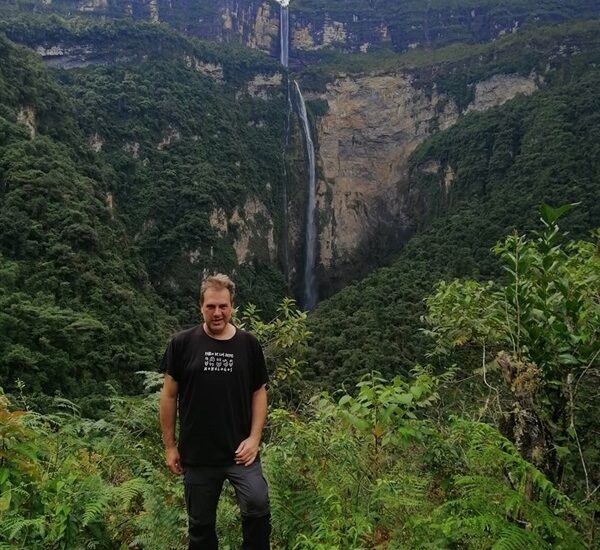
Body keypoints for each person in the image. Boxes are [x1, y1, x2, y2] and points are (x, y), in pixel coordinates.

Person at [159, 273, 271, 550]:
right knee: (200, 526)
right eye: (211, 306)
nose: (217, 312)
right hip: (198, 454)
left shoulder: (249, 344)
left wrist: (255, 439)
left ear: (232, 306)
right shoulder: (182, 344)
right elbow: (169, 395)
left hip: (240, 451)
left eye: (223, 306)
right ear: (201, 306)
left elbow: (259, 392)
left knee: (257, 506)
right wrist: (170, 446)